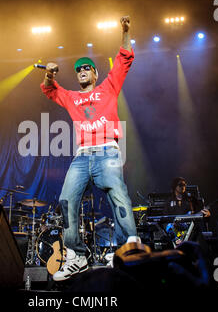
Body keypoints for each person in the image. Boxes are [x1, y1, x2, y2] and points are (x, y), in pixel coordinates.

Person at [40, 16, 139, 281]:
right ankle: (76, 257)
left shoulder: (108, 87)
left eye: (87, 68)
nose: (82, 71)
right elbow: (50, 89)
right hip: (82, 157)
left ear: (95, 73)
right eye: (79, 69)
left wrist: (125, 31)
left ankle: (126, 248)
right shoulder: (72, 97)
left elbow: (125, 57)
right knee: (66, 199)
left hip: (107, 150)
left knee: (117, 194)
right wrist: (49, 73)